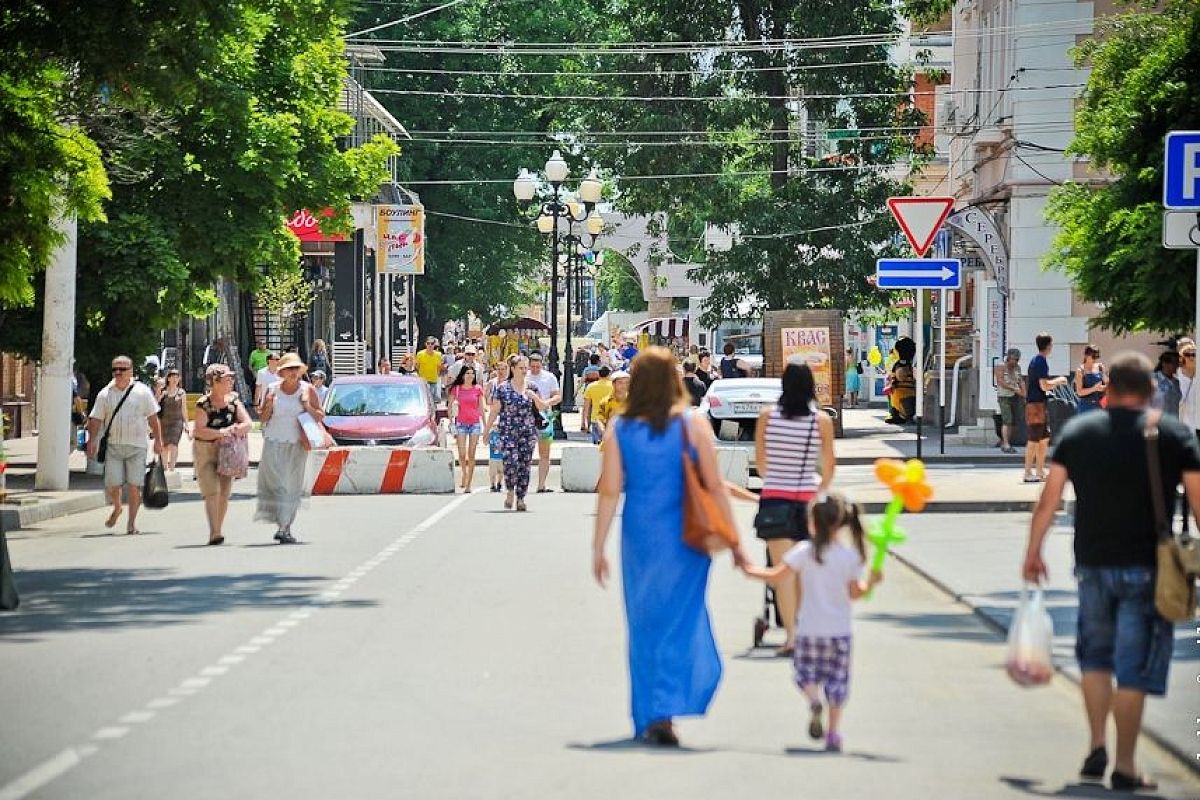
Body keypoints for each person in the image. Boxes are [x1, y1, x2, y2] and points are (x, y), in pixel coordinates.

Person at [1023, 351, 1200, 792]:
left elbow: (1049, 499)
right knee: (1133, 666)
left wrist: (1034, 552)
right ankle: (1124, 763)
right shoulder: (1172, 435)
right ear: (1150, 389)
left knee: (1096, 659)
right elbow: (1199, 503)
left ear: (1110, 387)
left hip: (1092, 565)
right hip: (1149, 569)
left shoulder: (1081, 432)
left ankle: (1096, 744)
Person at [591, 346, 749, 746]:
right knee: (681, 617)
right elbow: (714, 486)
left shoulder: (620, 429)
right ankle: (672, 701)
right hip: (686, 536)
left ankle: (652, 711)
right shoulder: (692, 425)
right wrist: (735, 541)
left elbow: (609, 492)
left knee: (643, 622)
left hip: (640, 536)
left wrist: (598, 547)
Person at [743, 492, 883, 753]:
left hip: (809, 631)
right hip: (840, 632)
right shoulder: (849, 556)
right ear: (841, 523)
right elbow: (855, 593)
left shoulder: (804, 551)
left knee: (805, 675)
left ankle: (813, 699)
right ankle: (833, 733)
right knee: (837, 683)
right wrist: (871, 582)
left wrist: (749, 569)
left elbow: (777, 576)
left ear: (812, 523)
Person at [752, 361, 837, 656]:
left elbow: (761, 463)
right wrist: (818, 489)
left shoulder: (767, 417)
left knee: (782, 571)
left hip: (775, 499)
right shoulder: (821, 421)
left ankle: (791, 636)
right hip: (808, 503)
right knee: (806, 571)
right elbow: (829, 466)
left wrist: (775, 478)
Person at [86, 355, 163, 535]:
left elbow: (153, 417)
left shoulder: (142, 391)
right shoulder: (105, 394)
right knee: (113, 484)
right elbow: (96, 419)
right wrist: (92, 441)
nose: (118, 373)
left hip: (137, 446)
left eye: (122, 369)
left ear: (131, 371)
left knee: (134, 485)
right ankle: (118, 507)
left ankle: (131, 523)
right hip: (114, 445)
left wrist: (159, 441)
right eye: (115, 369)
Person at [256, 353, 325, 543]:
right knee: (276, 484)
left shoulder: (307, 389)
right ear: (282, 372)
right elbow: (262, 418)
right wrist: (269, 405)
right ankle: (281, 522)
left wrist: (306, 406)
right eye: (289, 369)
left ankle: (285, 527)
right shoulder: (272, 389)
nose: (293, 373)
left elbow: (320, 415)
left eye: (296, 369)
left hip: (297, 443)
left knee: (291, 486)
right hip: (274, 441)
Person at [192, 364, 252, 545]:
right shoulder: (204, 403)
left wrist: (234, 430)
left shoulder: (233, 401)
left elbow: (247, 423)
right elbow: (199, 431)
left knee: (224, 493)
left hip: (228, 452)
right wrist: (220, 433)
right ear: (215, 382)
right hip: (206, 451)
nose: (231, 381)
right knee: (212, 491)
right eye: (227, 378)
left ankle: (218, 527)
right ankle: (214, 532)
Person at [482, 355, 549, 511]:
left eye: (526, 368)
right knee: (510, 462)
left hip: (528, 432)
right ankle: (510, 490)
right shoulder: (503, 388)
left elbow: (542, 407)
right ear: (512, 369)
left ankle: (521, 497)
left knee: (525, 465)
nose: (524, 371)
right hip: (508, 431)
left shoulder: (532, 387)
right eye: (521, 368)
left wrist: (535, 399)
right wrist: (486, 431)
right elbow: (495, 410)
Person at [1024, 332, 1069, 483]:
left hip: (1038, 404)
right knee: (1034, 439)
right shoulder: (1041, 362)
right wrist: (1059, 380)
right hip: (1036, 405)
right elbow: (1044, 385)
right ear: (1048, 346)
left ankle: (1039, 470)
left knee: (1043, 438)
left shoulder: (1036, 360)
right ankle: (1028, 472)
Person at [526, 352, 561, 493]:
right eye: (532, 366)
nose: (535, 369)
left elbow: (557, 396)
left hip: (545, 416)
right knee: (526, 451)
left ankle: (541, 484)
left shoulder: (549, 377)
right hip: (527, 415)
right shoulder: (525, 376)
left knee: (545, 453)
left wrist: (547, 403)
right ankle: (524, 482)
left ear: (542, 365)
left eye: (537, 366)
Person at [448, 363, 487, 492]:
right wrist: (451, 422)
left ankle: (469, 483)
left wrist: (485, 425)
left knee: (471, 453)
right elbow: (450, 407)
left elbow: (481, 407)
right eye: (468, 373)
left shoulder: (478, 389)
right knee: (462, 453)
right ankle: (464, 472)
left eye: (472, 373)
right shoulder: (457, 389)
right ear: (463, 375)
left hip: (475, 423)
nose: (470, 376)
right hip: (461, 423)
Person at [155, 369, 190, 471]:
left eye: (177, 377)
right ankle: (165, 468)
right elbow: (154, 406)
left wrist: (186, 424)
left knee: (174, 444)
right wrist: (159, 396)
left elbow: (184, 409)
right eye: (173, 377)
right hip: (164, 422)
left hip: (177, 422)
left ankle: (172, 468)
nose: (175, 379)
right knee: (165, 446)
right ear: (168, 378)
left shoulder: (181, 392)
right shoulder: (163, 391)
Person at [994, 348, 1025, 453]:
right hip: (1004, 396)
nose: (1015, 362)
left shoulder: (1017, 368)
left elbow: (1021, 380)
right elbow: (1000, 381)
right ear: (1009, 358)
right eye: (1014, 359)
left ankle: (1005, 442)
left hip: (1015, 396)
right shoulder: (1000, 366)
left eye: (1017, 359)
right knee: (1007, 420)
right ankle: (1006, 444)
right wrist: (1014, 389)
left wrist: (1024, 392)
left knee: (1013, 421)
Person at [595, 370, 630, 443]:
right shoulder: (606, 401)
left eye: (627, 383)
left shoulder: (633, 401)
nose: (624, 385)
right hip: (611, 440)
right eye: (620, 383)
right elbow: (599, 419)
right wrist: (603, 432)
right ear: (613, 384)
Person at [581, 366, 614, 442]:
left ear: (599, 374)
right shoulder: (613, 386)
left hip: (595, 419)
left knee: (597, 447)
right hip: (611, 419)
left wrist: (585, 422)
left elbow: (586, 407)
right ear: (609, 374)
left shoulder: (591, 386)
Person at [1074, 344, 1107, 413]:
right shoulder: (1080, 370)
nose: (1095, 359)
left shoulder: (1100, 367)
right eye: (1093, 356)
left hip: (1099, 405)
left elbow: (1107, 383)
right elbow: (1079, 392)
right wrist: (1094, 388)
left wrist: (1103, 388)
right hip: (1086, 406)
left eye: (1097, 356)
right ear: (1086, 355)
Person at [1151, 350, 1181, 416]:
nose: (1177, 366)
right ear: (1164, 364)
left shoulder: (1176, 383)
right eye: (1174, 363)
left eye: (1178, 363)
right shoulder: (1153, 379)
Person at [416, 337, 444, 402]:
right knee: (424, 399)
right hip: (423, 380)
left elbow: (439, 367)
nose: (430, 345)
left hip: (433, 380)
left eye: (432, 343)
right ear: (425, 344)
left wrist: (437, 376)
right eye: (428, 343)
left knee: (432, 399)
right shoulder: (420, 354)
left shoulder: (438, 355)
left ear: (434, 345)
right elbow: (417, 367)